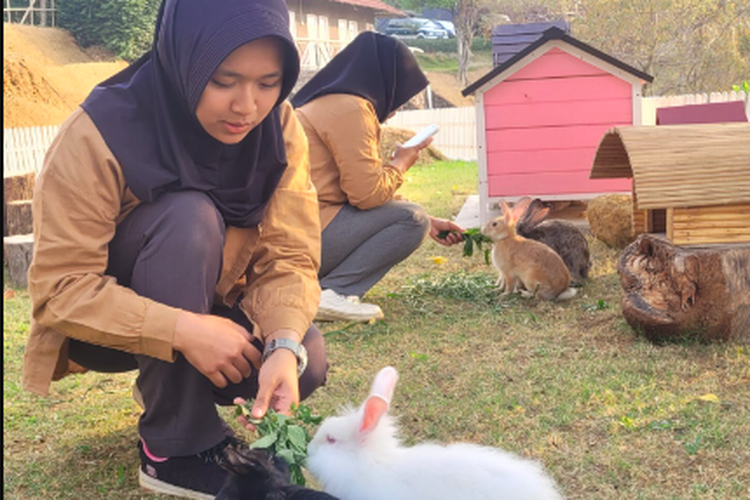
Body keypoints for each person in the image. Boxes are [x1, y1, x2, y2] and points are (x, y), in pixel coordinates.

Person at [22, 0, 327, 497]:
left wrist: (284, 344)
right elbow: (59, 290)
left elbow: (289, 256)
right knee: (189, 217)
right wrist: (184, 331)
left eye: (268, 83)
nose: (247, 105)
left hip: (207, 297)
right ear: (184, 59)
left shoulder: (281, 128)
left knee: (306, 355)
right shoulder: (101, 129)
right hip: (104, 327)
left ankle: (177, 386)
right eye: (224, 81)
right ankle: (173, 446)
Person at [292, 32, 465, 323]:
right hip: (304, 237)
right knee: (412, 219)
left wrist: (430, 222)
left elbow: (349, 190)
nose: (396, 107)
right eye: (400, 94)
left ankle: (326, 290)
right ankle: (333, 292)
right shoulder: (352, 108)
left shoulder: (328, 102)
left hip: (299, 231)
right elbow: (367, 195)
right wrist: (401, 163)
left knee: (415, 218)